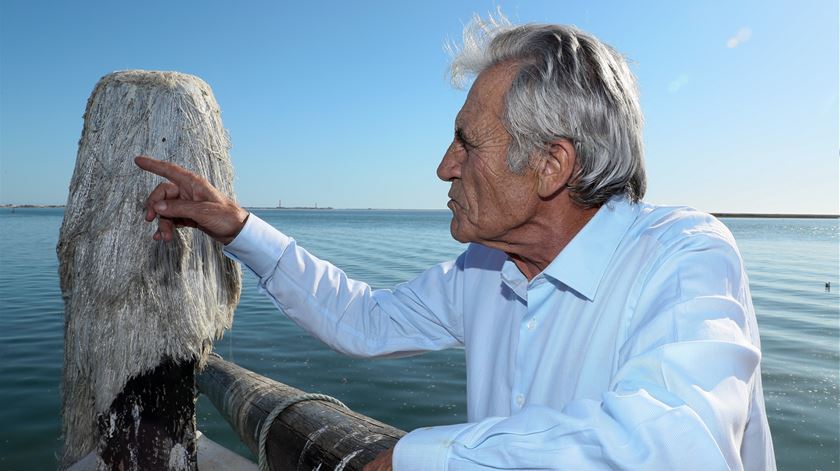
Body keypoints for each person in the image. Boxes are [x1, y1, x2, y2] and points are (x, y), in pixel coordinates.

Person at [135, 14, 776, 471]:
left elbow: (677, 445)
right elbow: (364, 319)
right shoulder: (484, 268)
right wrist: (238, 227)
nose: (445, 166)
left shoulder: (684, 254)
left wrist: (418, 459)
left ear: (552, 165)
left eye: (467, 142)